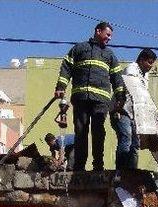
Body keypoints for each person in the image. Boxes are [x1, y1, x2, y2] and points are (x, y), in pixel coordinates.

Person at [54, 22, 126, 171]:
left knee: (98, 132)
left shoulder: (110, 55)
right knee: (81, 132)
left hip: (100, 101)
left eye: (111, 36)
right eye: (108, 34)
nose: (109, 38)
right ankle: (79, 166)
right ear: (98, 31)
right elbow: (66, 68)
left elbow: (117, 78)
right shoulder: (79, 49)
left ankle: (98, 165)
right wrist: (61, 87)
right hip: (81, 99)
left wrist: (120, 97)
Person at [111, 48, 157, 170]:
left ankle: (132, 172)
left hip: (134, 114)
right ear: (142, 60)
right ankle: (121, 172)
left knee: (136, 144)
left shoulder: (145, 75)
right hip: (121, 111)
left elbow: (142, 98)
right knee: (126, 137)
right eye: (150, 62)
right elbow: (135, 91)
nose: (151, 66)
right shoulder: (131, 69)